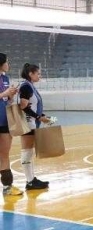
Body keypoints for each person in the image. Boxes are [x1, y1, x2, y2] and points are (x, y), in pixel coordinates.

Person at [17, 63, 51, 191]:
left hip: (32, 121)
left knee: (29, 151)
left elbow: (31, 106)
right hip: (28, 122)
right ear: (30, 74)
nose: (40, 76)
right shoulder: (26, 86)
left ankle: (31, 179)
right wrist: (38, 117)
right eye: (38, 73)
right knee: (27, 151)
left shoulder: (29, 86)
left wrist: (42, 115)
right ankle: (30, 181)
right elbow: (23, 106)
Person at [0, 53, 22, 196]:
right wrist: (3, 93)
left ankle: (7, 187)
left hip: (3, 121)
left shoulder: (5, 79)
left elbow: (6, 102)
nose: (9, 64)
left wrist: (11, 96)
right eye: (7, 62)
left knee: (4, 154)